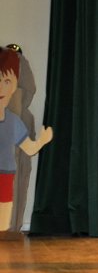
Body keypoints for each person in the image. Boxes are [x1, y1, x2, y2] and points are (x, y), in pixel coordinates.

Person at [0, 47, 53, 233]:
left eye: (7, 81)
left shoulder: (15, 121)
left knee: (3, 223)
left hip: (6, 175)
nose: (1, 88)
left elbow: (29, 148)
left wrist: (42, 141)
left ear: (15, 85)